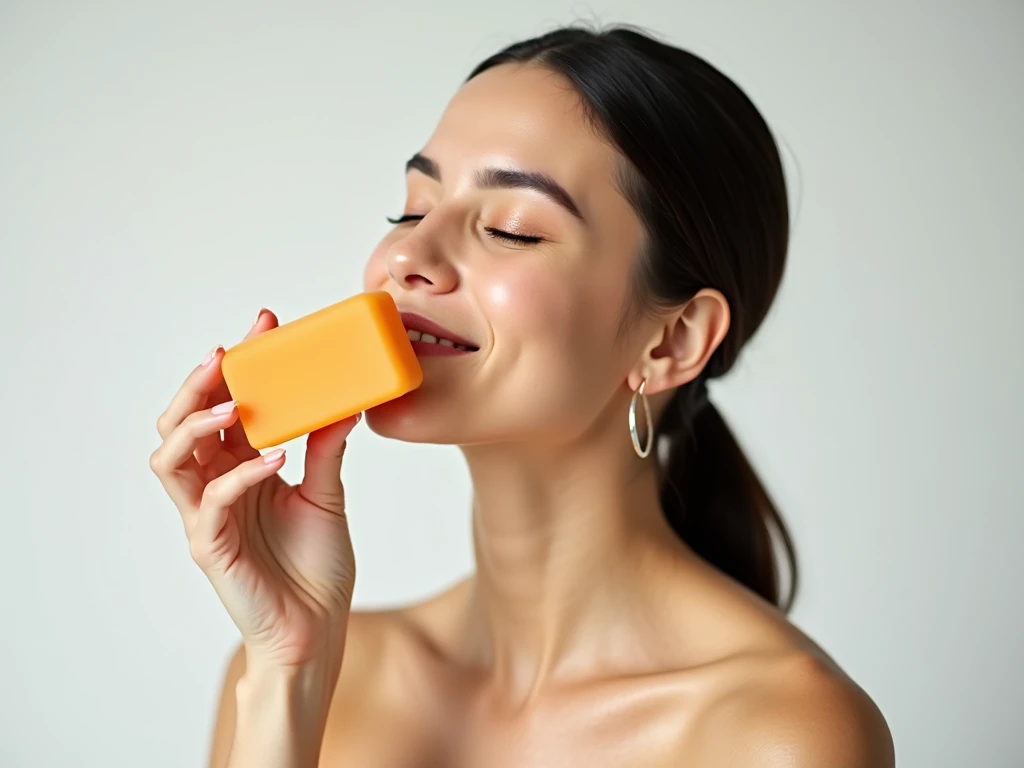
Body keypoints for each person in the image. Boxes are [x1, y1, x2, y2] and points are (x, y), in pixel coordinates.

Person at [150, 23, 894, 768]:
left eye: (511, 229)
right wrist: (290, 669)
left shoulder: (784, 733)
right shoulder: (299, 669)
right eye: (411, 209)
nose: (405, 255)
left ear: (671, 342)